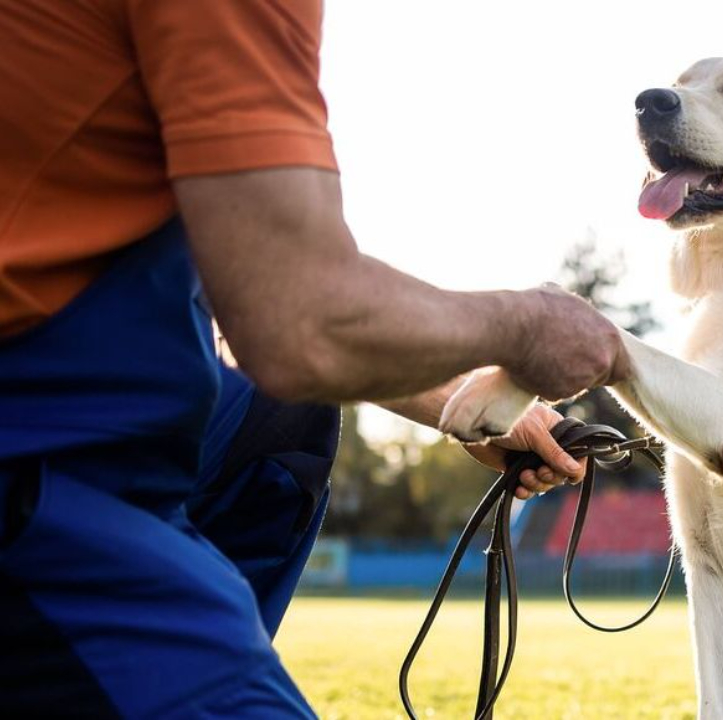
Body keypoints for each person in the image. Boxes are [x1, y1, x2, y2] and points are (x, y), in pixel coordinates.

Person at [0, 1, 628, 716]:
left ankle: (194, 630)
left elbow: (251, 309)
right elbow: (295, 316)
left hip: (68, 415)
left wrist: (463, 406)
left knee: (281, 409)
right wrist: (525, 324)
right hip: (32, 454)